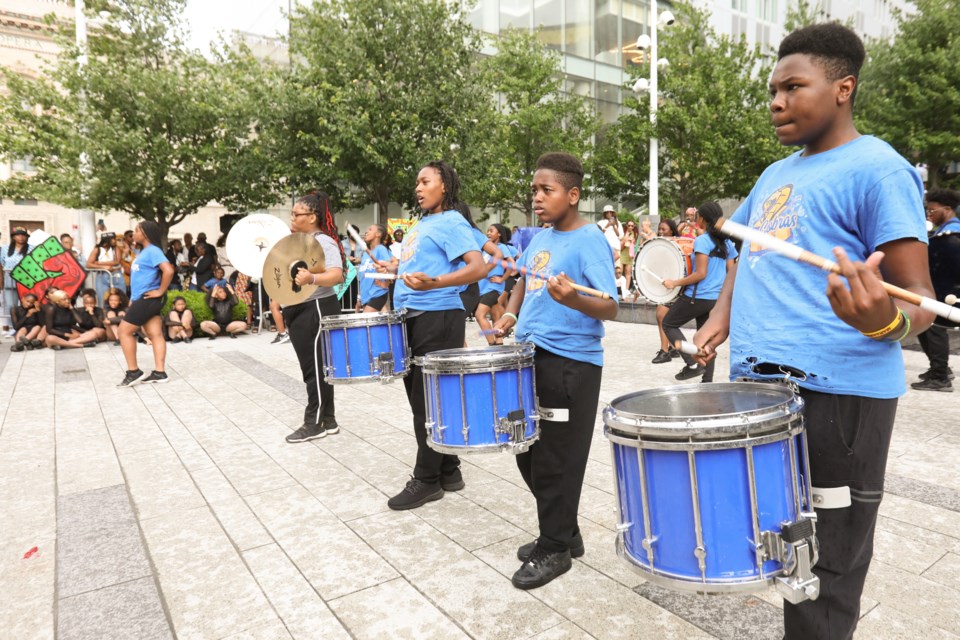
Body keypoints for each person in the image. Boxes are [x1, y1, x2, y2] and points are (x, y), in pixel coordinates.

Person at [691, 24, 934, 640]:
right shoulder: (775, 174)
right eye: (772, 89)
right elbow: (745, 251)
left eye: (793, 87)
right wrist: (722, 314)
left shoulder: (880, 169)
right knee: (784, 543)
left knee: (829, 566)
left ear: (843, 88)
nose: (776, 101)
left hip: (839, 394)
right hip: (761, 388)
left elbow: (919, 300)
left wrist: (885, 321)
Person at [492, 152, 618, 590]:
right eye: (535, 190)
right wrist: (508, 319)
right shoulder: (541, 238)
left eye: (546, 190)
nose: (537, 198)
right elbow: (524, 281)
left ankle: (555, 548)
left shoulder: (590, 241)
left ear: (573, 194)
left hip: (571, 364)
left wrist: (574, 301)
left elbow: (610, 304)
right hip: (532, 355)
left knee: (556, 460)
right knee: (527, 450)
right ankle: (566, 531)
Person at [385, 161, 486, 510]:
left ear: (444, 186)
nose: (418, 187)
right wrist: (396, 269)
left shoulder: (451, 221)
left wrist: (437, 283)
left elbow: (479, 266)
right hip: (415, 315)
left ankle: (426, 480)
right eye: (417, 182)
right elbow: (425, 265)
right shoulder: (423, 222)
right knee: (424, 398)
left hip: (438, 315)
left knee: (426, 401)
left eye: (425, 181)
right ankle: (449, 469)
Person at [282, 192, 346, 443]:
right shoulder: (300, 241)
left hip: (317, 307)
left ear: (312, 217)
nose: (292, 217)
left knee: (315, 369)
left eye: (297, 214)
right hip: (302, 308)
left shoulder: (324, 242)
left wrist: (312, 278)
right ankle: (328, 420)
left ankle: (314, 422)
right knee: (316, 367)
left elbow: (337, 275)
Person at [660, 202, 738, 383]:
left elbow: (700, 274)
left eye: (696, 216)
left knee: (668, 323)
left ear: (702, 219)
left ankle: (692, 364)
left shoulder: (702, 240)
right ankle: (707, 383)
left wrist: (675, 283)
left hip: (698, 297)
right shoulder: (727, 243)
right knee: (706, 341)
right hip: (716, 301)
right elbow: (731, 274)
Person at [910, 187, 960, 392]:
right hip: (939, 289)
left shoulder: (952, 235)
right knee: (927, 329)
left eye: (932, 210)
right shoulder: (944, 233)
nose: (929, 214)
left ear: (947, 209)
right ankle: (940, 369)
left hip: (945, 291)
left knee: (935, 329)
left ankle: (940, 377)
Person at [117, 221, 174, 387]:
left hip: (149, 297)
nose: (134, 233)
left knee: (123, 331)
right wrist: (133, 298)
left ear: (146, 233)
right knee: (154, 333)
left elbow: (168, 270)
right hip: (143, 298)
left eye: (136, 230)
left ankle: (133, 372)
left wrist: (160, 291)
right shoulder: (144, 251)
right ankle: (159, 372)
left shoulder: (153, 251)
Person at [650, 218, 682, 361]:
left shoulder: (678, 244)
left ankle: (665, 351)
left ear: (672, 230)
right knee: (665, 317)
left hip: (675, 286)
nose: (661, 232)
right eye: (660, 229)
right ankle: (674, 348)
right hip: (663, 285)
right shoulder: (658, 245)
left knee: (661, 314)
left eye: (664, 229)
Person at [476, 224, 512, 345]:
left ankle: (491, 343)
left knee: (479, 315)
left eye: (491, 231)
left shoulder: (501, 247)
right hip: (482, 287)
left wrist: (502, 279)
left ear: (499, 234)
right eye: (487, 231)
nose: (488, 233)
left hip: (493, 287)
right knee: (495, 314)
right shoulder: (485, 249)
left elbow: (512, 265)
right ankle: (499, 341)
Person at [356, 224, 396, 312]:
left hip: (377, 293)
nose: (366, 232)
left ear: (378, 234)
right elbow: (362, 277)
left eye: (370, 229)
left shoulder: (381, 249)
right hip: (366, 296)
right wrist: (359, 298)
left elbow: (388, 269)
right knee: (382, 321)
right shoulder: (366, 253)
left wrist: (386, 283)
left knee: (365, 320)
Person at [2, 227, 31, 335]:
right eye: (18, 235)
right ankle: (12, 326)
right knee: (11, 305)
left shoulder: (32, 248)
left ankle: (27, 326)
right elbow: (2, 264)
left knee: (27, 304)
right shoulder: (5, 249)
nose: (21, 237)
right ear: (13, 237)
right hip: (10, 281)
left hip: (26, 281)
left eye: (23, 235)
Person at [86, 233, 121, 306]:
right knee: (103, 298)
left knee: (119, 297)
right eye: (112, 239)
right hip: (102, 275)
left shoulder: (115, 248)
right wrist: (103, 267)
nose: (114, 241)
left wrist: (99, 263)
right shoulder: (97, 249)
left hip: (115, 274)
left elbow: (117, 261)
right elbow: (89, 264)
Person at [620, 221, 639, 294]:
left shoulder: (635, 234)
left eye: (632, 226)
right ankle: (619, 289)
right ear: (626, 226)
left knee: (628, 272)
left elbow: (637, 245)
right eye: (629, 225)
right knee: (619, 271)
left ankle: (626, 290)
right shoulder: (623, 233)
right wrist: (625, 239)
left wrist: (633, 242)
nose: (630, 227)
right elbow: (620, 246)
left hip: (630, 255)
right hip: (622, 253)